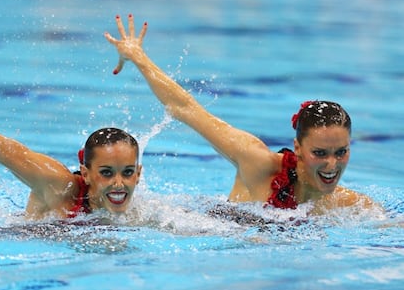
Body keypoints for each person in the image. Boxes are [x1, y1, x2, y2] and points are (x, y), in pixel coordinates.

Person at [104, 14, 379, 215]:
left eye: (340, 152)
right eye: (320, 153)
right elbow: (186, 109)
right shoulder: (257, 162)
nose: (332, 164)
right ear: (297, 147)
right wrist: (138, 56)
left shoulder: (350, 206)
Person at [0, 127, 142, 219]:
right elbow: (7, 151)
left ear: (138, 174)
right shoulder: (59, 186)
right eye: (107, 173)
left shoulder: (142, 213)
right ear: (85, 174)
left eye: (128, 172)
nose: (118, 183)